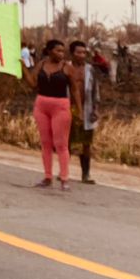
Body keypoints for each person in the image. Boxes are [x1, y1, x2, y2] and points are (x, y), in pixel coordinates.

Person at [28, 38, 71, 190]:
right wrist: (22, 67)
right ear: (49, 51)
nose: (61, 54)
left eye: (63, 51)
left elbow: (75, 90)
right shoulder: (41, 64)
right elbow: (33, 84)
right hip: (41, 104)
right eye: (58, 50)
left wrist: (77, 109)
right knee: (46, 143)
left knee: (60, 144)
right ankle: (47, 177)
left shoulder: (66, 67)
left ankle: (64, 178)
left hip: (60, 106)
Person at [67, 39, 100, 185]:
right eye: (78, 52)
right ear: (72, 53)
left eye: (84, 52)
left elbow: (95, 90)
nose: (82, 55)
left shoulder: (89, 69)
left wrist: (95, 109)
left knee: (86, 143)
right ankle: (64, 171)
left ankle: (85, 174)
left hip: (87, 109)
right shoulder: (66, 67)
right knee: (67, 141)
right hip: (68, 108)